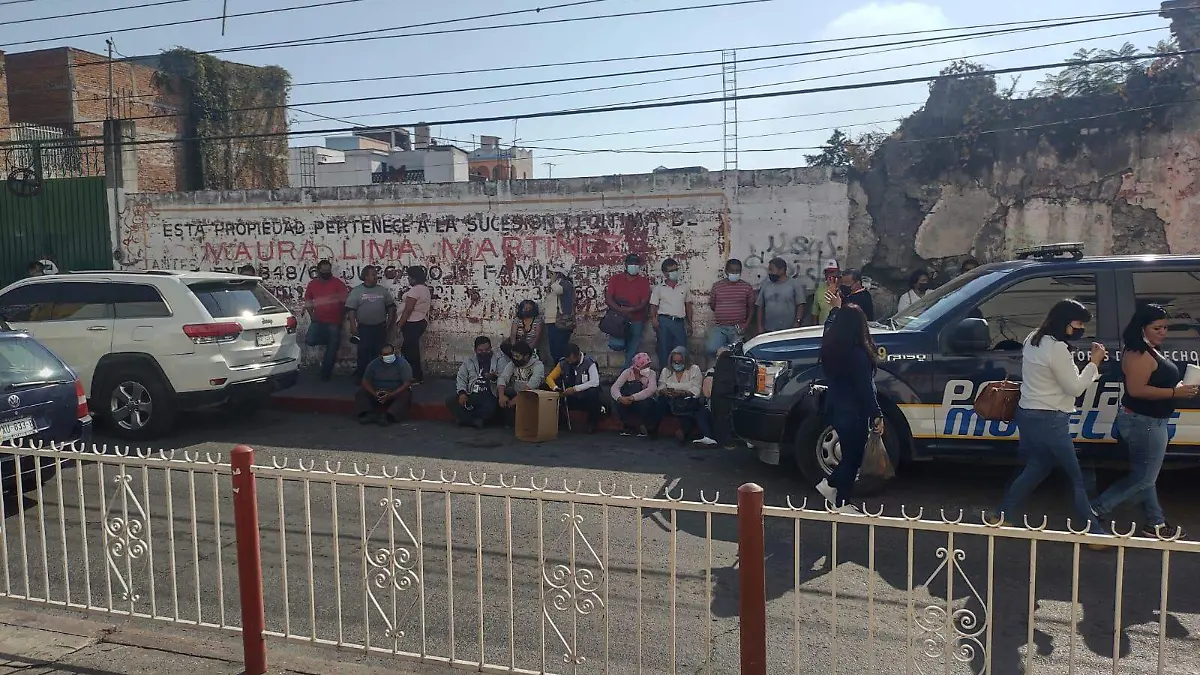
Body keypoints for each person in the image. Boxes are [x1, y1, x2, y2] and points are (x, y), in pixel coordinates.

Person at [993, 299, 1107, 536]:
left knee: (1037, 467)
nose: (1081, 329)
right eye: (1078, 324)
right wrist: (1094, 363)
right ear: (1064, 322)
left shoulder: (1033, 338)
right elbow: (1074, 388)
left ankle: (1002, 515)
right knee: (1077, 477)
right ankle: (1094, 532)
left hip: (1028, 414)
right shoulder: (1057, 348)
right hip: (1050, 419)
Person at [1092, 304, 1195, 538]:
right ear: (1142, 328)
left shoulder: (1149, 349)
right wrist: (1174, 393)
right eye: (1157, 328)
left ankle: (1155, 523)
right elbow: (1137, 390)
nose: (1163, 332)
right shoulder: (1138, 353)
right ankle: (1096, 508)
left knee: (1146, 476)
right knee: (1144, 477)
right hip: (1144, 423)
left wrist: (1177, 387)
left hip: (1149, 421)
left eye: (1165, 327)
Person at [813, 290, 883, 514]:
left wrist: (836, 309)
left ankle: (838, 497)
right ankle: (836, 493)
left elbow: (828, 327)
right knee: (853, 459)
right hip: (854, 411)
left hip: (836, 407)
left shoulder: (831, 348)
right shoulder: (858, 355)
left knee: (849, 456)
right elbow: (865, 388)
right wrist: (876, 414)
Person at [655, 346, 716, 445]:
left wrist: (681, 392)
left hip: (687, 401)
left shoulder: (694, 369)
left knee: (692, 412)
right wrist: (665, 391)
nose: (677, 364)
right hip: (670, 401)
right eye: (675, 361)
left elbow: (696, 390)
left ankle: (684, 433)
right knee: (660, 401)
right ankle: (651, 429)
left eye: (680, 361)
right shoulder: (666, 370)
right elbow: (661, 387)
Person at [345, 266, 396, 384]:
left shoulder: (382, 291)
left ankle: (376, 377)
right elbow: (351, 309)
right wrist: (352, 325)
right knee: (363, 353)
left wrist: (390, 321)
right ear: (366, 277)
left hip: (380, 327)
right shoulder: (357, 291)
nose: (376, 277)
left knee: (378, 353)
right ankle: (362, 377)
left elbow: (391, 306)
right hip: (364, 328)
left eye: (376, 274)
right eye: (373, 274)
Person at [302, 259, 349, 381]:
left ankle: (325, 374)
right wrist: (312, 315)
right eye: (324, 271)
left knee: (332, 348)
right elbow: (308, 300)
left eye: (328, 270)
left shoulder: (337, 283)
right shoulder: (313, 284)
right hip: (318, 320)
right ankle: (326, 340)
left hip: (334, 321)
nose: (326, 273)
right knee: (310, 340)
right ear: (318, 271)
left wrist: (342, 317)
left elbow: (345, 301)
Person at [605, 253, 652, 369]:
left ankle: (625, 373)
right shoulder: (616, 279)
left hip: (637, 319)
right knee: (616, 344)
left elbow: (644, 302)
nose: (634, 266)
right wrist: (620, 310)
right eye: (631, 263)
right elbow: (609, 299)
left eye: (636, 264)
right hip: (619, 320)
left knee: (633, 349)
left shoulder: (643, 282)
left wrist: (631, 309)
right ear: (626, 265)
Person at [545, 343, 602, 433]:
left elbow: (595, 382)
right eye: (568, 361)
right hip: (568, 395)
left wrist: (575, 389)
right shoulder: (563, 363)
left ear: (578, 355)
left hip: (585, 396)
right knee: (546, 389)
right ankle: (559, 421)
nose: (570, 363)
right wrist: (555, 388)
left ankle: (592, 423)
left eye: (572, 360)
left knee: (594, 392)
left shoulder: (589, 363)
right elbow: (549, 378)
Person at [447, 336, 500, 428]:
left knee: (491, 408)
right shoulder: (469, 362)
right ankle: (475, 420)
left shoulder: (498, 360)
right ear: (475, 350)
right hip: (472, 394)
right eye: (480, 350)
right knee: (451, 401)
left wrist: (494, 377)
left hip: (490, 394)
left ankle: (466, 419)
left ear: (491, 348)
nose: (484, 352)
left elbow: (504, 377)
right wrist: (462, 393)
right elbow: (461, 378)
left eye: (487, 350)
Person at [354, 343, 413, 426]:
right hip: (377, 391)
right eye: (385, 354)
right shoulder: (373, 364)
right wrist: (374, 394)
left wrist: (391, 395)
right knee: (361, 393)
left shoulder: (402, 364)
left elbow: (407, 383)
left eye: (390, 353)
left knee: (406, 395)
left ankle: (388, 417)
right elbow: (365, 381)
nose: (388, 356)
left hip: (395, 391)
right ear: (380, 356)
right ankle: (368, 414)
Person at [706, 258, 756, 355]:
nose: (735, 273)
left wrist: (746, 324)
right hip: (720, 327)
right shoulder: (717, 286)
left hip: (737, 328)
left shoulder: (746, 287)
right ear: (726, 271)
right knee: (711, 349)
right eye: (732, 271)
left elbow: (751, 307)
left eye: (737, 271)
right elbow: (713, 305)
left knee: (739, 352)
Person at [649, 258, 692, 369]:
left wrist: (689, 324)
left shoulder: (684, 287)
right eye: (671, 270)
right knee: (663, 350)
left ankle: (680, 375)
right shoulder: (658, 289)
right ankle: (664, 375)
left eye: (676, 269)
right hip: (664, 322)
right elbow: (653, 305)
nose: (675, 272)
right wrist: (654, 319)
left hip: (679, 322)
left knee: (681, 351)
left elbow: (688, 306)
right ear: (665, 273)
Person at [497, 341, 545, 427]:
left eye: (517, 356)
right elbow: (503, 377)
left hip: (532, 397)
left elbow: (532, 384)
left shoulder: (538, 365)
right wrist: (501, 396)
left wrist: (517, 399)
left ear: (526, 356)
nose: (514, 358)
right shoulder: (513, 363)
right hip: (517, 393)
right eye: (513, 356)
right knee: (502, 391)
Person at [610, 352, 659, 437]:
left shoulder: (652, 373)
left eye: (648, 366)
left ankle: (642, 425)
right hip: (628, 400)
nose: (647, 368)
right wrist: (620, 398)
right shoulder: (627, 372)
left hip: (642, 401)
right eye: (644, 366)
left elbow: (651, 389)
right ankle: (626, 425)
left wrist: (633, 397)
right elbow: (615, 388)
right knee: (618, 402)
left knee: (647, 403)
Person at [397, 265, 431, 383]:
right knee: (408, 349)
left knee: (411, 350)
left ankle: (415, 376)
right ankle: (411, 374)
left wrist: (400, 324)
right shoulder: (424, 289)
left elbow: (408, 309)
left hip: (412, 322)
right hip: (419, 321)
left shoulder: (416, 290)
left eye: (409, 277)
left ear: (414, 278)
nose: (408, 279)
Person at [756, 258, 808, 334]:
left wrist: (797, 323)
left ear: (781, 270)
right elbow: (760, 306)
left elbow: (800, 305)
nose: (769, 272)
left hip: (789, 329)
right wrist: (759, 326)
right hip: (769, 329)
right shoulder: (766, 285)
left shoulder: (794, 284)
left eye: (771, 269)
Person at [544, 266, 576, 365]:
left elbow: (559, 290)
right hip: (551, 321)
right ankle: (558, 370)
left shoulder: (566, 284)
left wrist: (553, 281)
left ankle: (563, 370)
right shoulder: (554, 285)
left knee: (560, 350)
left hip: (561, 322)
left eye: (553, 273)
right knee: (554, 349)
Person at [809, 259, 840, 326]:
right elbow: (815, 312)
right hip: (823, 327)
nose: (829, 275)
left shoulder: (844, 288)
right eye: (827, 272)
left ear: (838, 272)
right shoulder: (820, 289)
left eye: (832, 272)